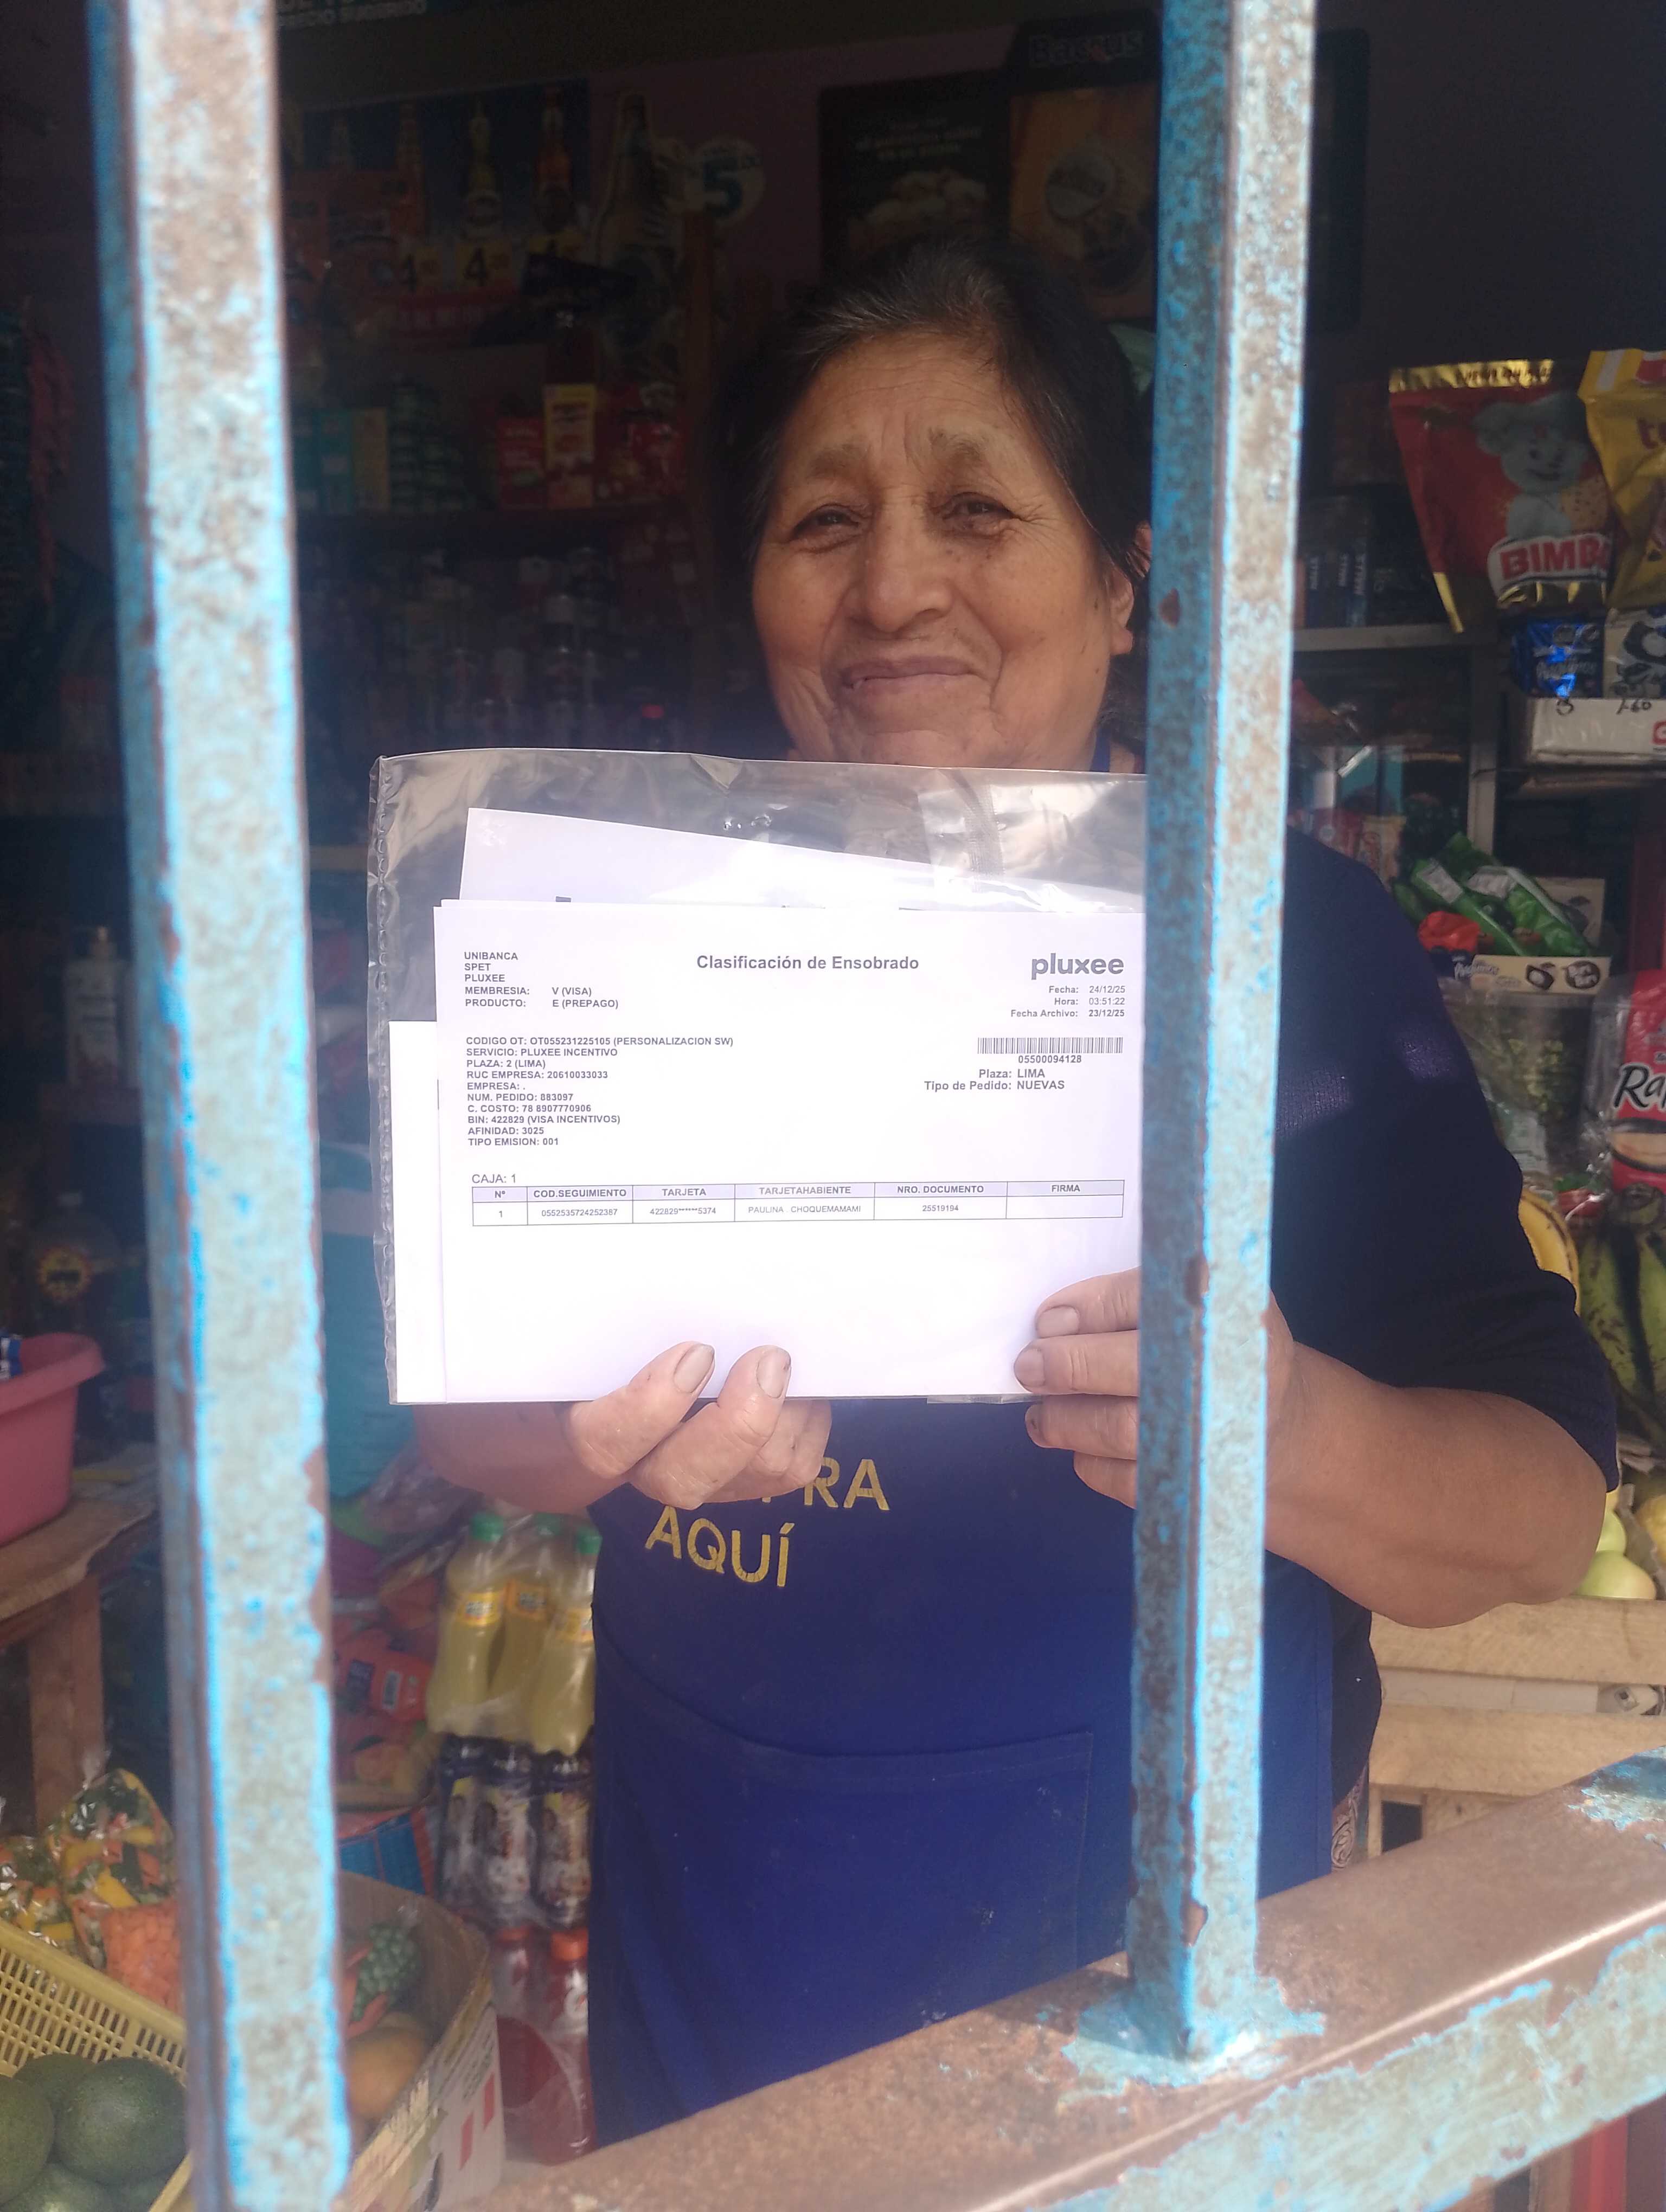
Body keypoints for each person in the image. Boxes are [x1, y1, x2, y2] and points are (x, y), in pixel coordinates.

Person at [418, 236, 1614, 2139]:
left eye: (978, 510)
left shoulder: (1287, 953)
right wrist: (589, 1438)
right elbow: (470, 1422)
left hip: (1140, 1945)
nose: (895, 585)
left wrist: (1287, 1436)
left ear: (1122, 583)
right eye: (825, 520)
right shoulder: (628, 931)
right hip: (719, 1906)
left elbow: (1546, 1517)